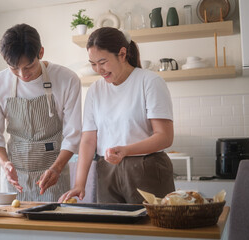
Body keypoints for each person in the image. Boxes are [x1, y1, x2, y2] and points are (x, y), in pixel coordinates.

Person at [59, 27, 175, 204]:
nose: (99, 69)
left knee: (151, 229)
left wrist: (127, 150)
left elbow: (165, 137)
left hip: (146, 168)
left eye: (103, 62)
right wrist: (79, 183)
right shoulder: (95, 91)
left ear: (122, 54)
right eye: (93, 63)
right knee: (112, 229)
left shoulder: (150, 81)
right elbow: (88, 140)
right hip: (107, 171)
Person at [0, 24, 82, 202]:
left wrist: (57, 168)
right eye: (14, 68)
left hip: (54, 175)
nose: (22, 74)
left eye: (29, 66)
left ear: (41, 53)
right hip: (15, 179)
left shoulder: (67, 79)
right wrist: (5, 164)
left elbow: (73, 134)